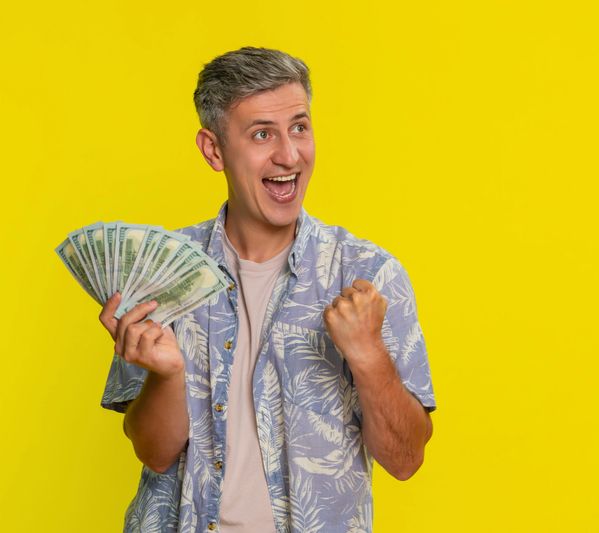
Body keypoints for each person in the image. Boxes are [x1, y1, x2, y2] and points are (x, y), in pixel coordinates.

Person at [97, 46, 437, 532]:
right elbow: (154, 454)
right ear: (213, 150)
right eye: (262, 134)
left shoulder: (367, 274)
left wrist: (368, 355)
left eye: (299, 127)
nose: (289, 154)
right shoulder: (161, 270)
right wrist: (166, 375)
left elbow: (405, 460)